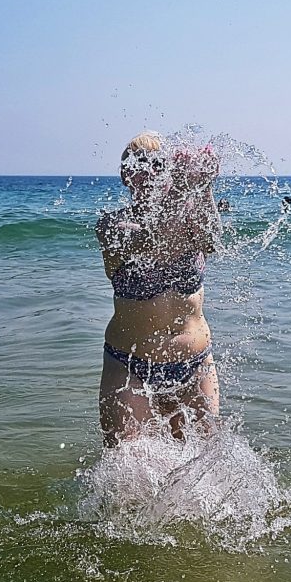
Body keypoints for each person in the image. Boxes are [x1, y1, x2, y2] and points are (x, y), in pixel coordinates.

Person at [96, 132, 222, 447]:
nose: (151, 172)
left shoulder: (190, 218)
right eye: (141, 164)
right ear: (125, 174)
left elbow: (212, 242)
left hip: (196, 364)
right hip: (129, 367)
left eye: (159, 164)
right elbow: (156, 245)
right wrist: (182, 188)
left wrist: (204, 185)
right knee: (128, 479)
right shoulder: (112, 226)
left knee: (204, 467)